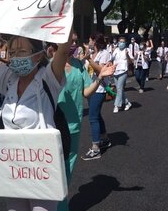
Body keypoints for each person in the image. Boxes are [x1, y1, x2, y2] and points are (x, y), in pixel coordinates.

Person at [0, 0, 79, 211]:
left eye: (22, 52)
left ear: (38, 55)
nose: (15, 58)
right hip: (12, 169)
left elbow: (63, 49)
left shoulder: (48, 79)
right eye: (12, 53)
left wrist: (69, 6)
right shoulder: (7, 78)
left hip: (42, 171)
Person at [57, 42, 115, 211]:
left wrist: (100, 77)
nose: (74, 43)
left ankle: (60, 206)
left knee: (67, 170)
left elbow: (86, 92)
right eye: (70, 39)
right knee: (54, 171)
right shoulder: (50, 65)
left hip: (74, 125)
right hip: (52, 125)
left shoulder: (78, 65)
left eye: (75, 40)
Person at [81, 33, 113, 161]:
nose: (89, 42)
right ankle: (104, 138)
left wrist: (89, 59)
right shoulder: (91, 53)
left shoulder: (104, 53)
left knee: (93, 117)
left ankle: (95, 148)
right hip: (90, 87)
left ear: (95, 41)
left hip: (99, 89)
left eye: (90, 39)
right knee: (97, 115)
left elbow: (102, 70)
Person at [111, 36, 133, 113]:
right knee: (119, 89)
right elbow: (111, 59)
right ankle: (127, 103)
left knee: (119, 88)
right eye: (120, 42)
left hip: (123, 71)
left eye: (123, 42)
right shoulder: (116, 50)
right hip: (115, 71)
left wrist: (127, 55)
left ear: (125, 43)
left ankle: (116, 105)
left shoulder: (127, 50)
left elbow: (131, 61)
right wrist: (112, 51)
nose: (121, 43)